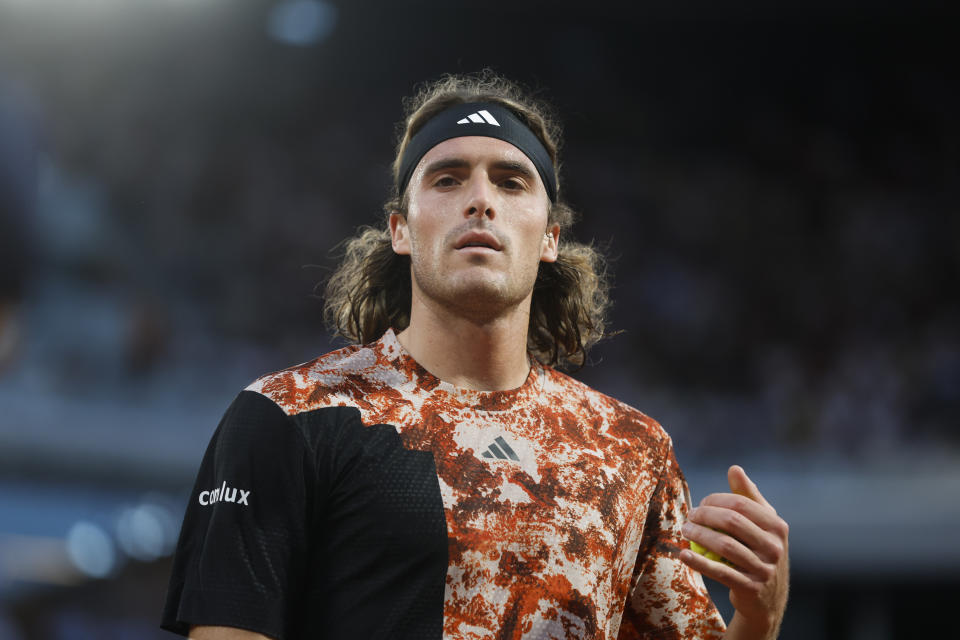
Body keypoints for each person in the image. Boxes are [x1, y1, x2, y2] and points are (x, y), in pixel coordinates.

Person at [161, 71, 789, 640]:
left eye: (512, 181)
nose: (480, 199)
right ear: (401, 229)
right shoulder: (287, 416)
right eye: (448, 177)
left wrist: (760, 619)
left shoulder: (630, 450)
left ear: (550, 238)